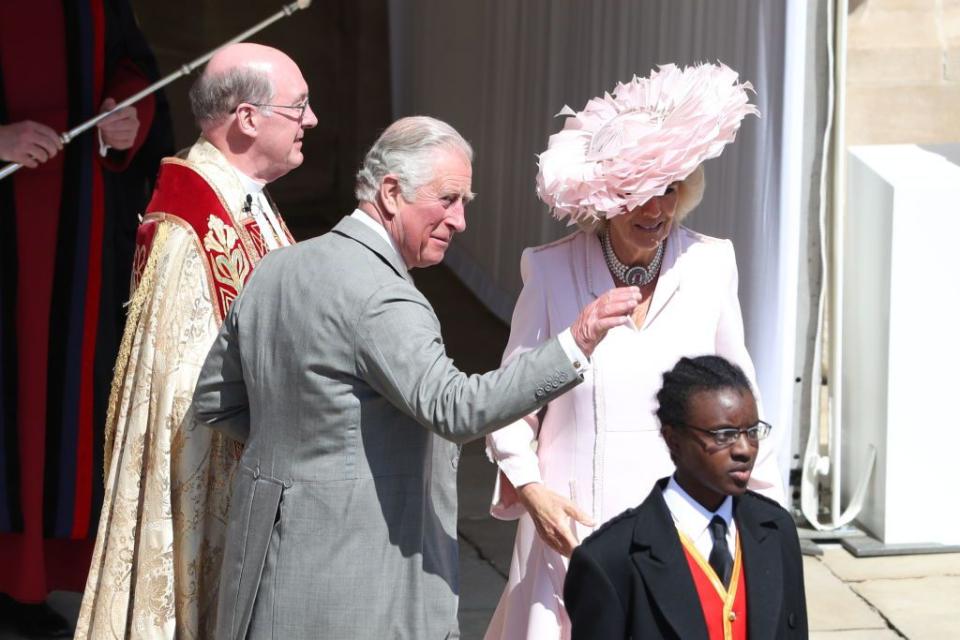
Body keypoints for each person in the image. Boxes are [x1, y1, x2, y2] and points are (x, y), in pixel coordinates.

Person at [191, 115, 642, 640]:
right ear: (390, 192)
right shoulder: (385, 296)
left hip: (265, 567)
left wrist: (311, 453)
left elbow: (216, 400)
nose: (460, 221)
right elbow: (457, 408)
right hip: (357, 577)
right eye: (448, 199)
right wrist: (576, 339)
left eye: (465, 203)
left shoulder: (275, 268)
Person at [483, 63, 786, 639]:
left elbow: (742, 401)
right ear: (603, 197)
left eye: (669, 189)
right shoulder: (550, 271)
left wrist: (766, 516)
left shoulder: (710, 263)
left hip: (684, 527)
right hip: (572, 529)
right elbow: (509, 400)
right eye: (639, 193)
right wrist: (531, 490)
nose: (656, 209)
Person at [74, 43, 317, 640]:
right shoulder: (190, 229)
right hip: (215, 493)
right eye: (300, 106)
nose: (311, 120)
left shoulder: (243, 201)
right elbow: (184, 401)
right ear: (248, 117)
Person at [0, 1, 171, 636]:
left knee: (51, 415)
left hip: (74, 240)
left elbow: (132, 67)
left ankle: (24, 585)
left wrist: (126, 118)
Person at [564, 355, 808, 639]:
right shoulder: (611, 560)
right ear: (673, 439)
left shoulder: (776, 529)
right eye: (724, 434)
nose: (745, 449)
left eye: (752, 432)